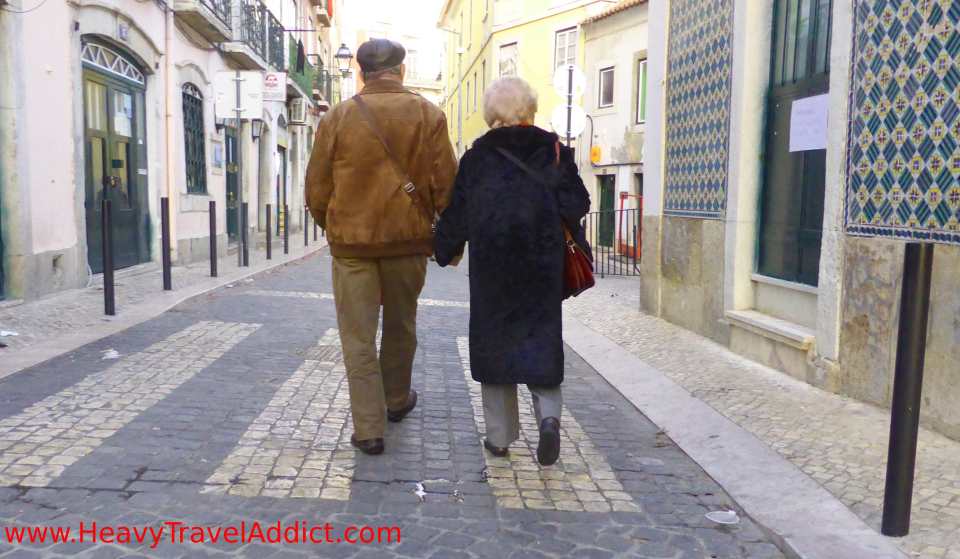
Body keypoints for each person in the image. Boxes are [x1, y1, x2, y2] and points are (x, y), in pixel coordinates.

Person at [305, 39, 458, 456]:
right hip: (408, 243)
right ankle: (396, 399)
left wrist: (335, 225)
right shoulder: (429, 115)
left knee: (357, 336)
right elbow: (448, 184)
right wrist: (449, 238)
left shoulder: (337, 117)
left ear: (361, 73)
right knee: (401, 325)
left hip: (352, 246)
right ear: (402, 71)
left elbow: (317, 189)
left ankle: (369, 428)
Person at [433, 77, 590, 466]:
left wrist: (444, 249)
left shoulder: (477, 157)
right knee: (541, 340)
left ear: (492, 113)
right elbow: (579, 203)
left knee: (496, 347)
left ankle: (500, 437)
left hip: (494, 270)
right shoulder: (554, 151)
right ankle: (549, 419)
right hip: (542, 266)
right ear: (529, 109)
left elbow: (458, 215)